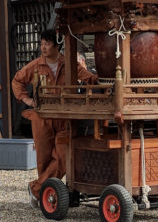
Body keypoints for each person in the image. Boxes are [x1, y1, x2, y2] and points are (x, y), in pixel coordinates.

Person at [12, 30, 96, 206]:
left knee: (64, 156)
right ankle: (46, 196)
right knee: (44, 158)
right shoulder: (35, 65)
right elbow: (17, 80)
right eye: (42, 43)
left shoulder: (70, 64)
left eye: (47, 43)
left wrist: (104, 81)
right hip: (42, 116)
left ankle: (37, 189)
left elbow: (89, 79)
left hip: (64, 117)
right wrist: (26, 99)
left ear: (57, 46)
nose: (43, 47)